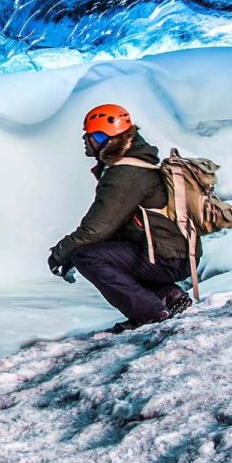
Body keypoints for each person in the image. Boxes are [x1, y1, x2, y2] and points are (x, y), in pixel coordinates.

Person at [46, 103, 194, 332]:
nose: (85, 140)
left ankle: (150, 314)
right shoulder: (136, 165)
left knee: (86, 255)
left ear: (102, 137)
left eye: (89, 135)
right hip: (173, 254)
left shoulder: (125, 174)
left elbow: (97, 228)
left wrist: (60, 253)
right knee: (104, 249)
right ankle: (168, 296)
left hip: (166, 258)